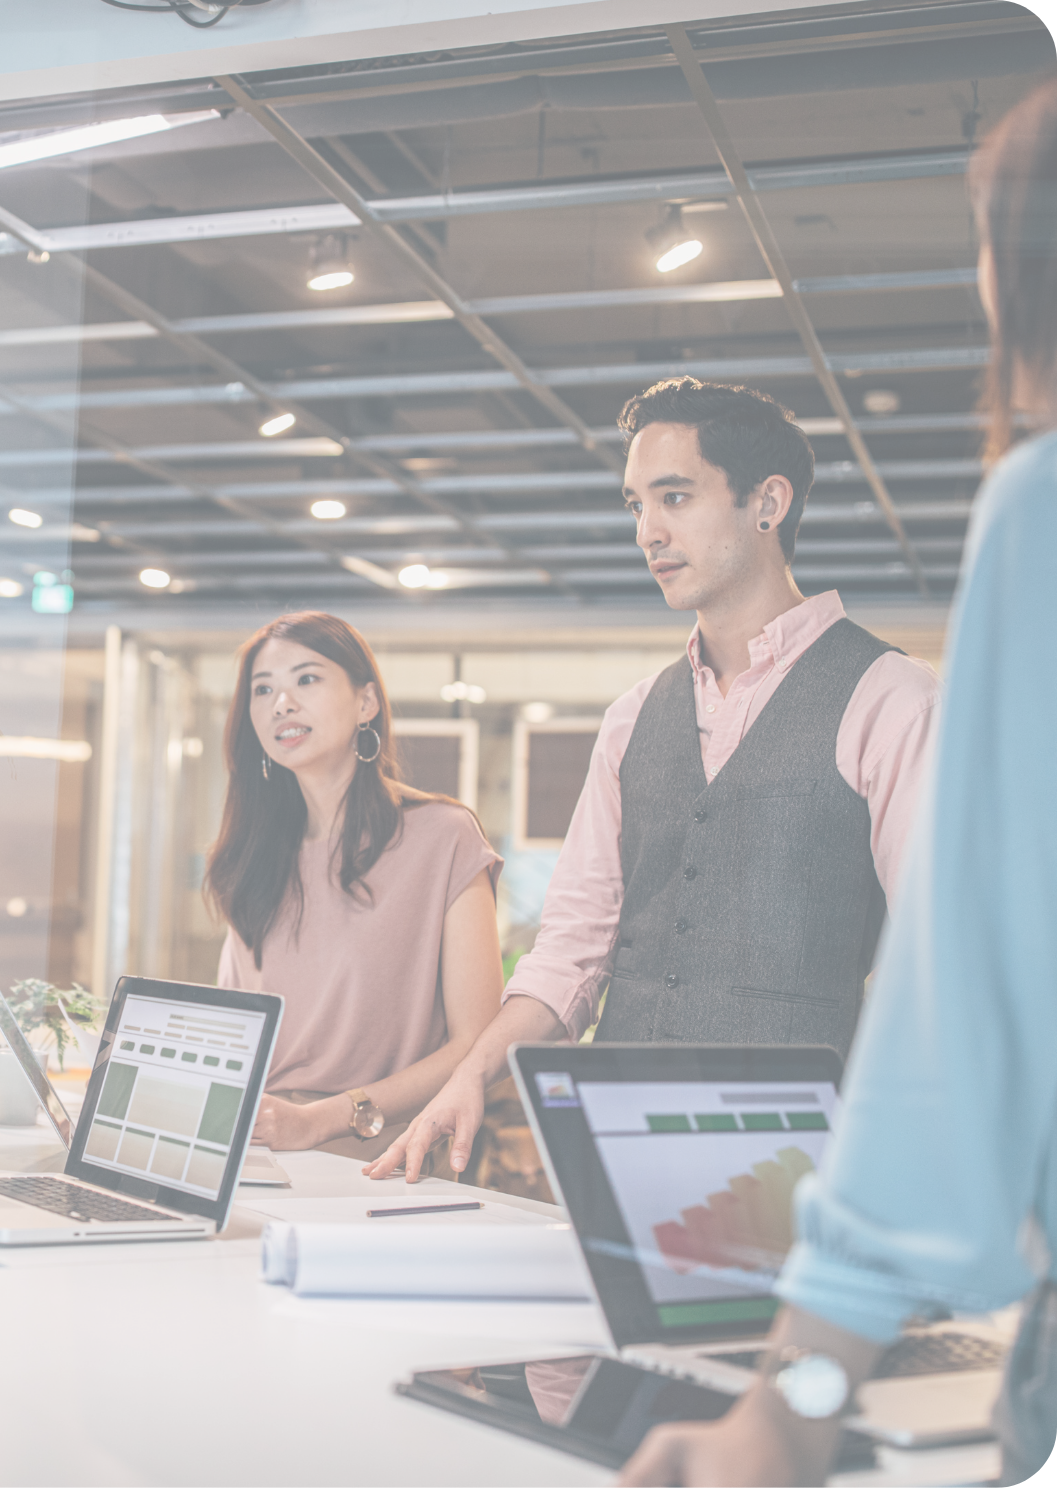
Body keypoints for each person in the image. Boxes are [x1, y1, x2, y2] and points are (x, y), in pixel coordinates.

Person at [620, 77, 1057, 1488]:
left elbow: (956, 1011)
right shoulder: (638, 709)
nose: (645, 527)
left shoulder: (1020, 534)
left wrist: (793, 1403)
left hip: (791, 1226)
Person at [370, 377, 939, 1185]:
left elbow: (935, 956)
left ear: (767, 503)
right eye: (636, 503)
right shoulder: (631, 718)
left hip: (798, 1164)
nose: (647, 531)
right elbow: (569, 951)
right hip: (619, 1147)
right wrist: (472, 1072)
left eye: (674, 497)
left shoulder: (891, 697)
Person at [206, 612, 504, 1160]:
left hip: (384, 1156)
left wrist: (320, 1121)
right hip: (257, 1148)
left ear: (366, 703)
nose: (281, 704)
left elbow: (475, 1045)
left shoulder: (443, 836)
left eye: (307, 679)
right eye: (262, 689)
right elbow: (237, 1038)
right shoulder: (253, 857)